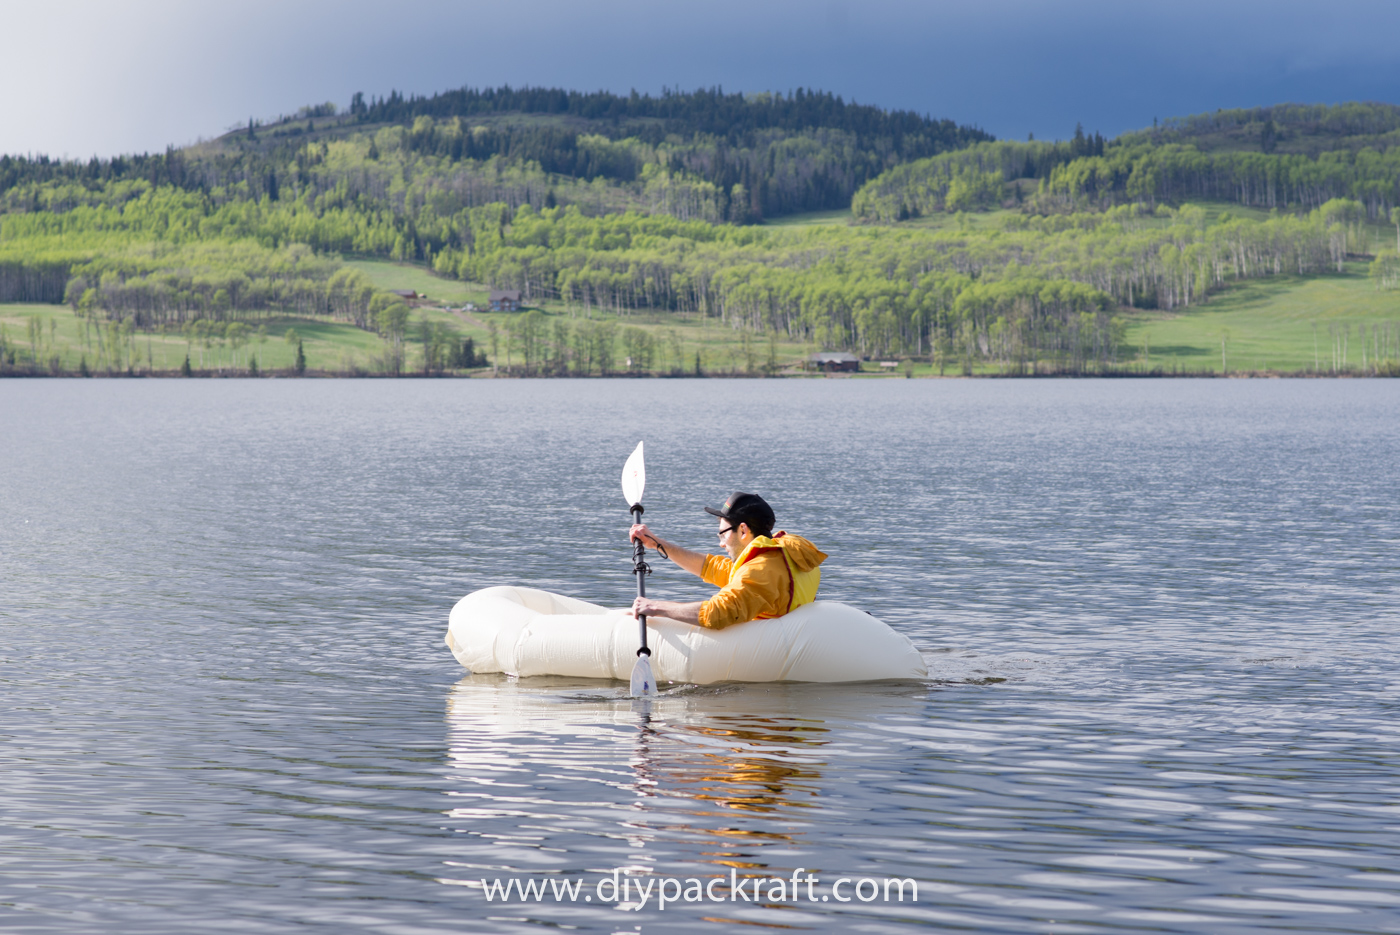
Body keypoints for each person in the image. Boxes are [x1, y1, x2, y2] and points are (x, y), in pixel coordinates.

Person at [628, 492, 827, 628]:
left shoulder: (762, 570)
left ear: (743, 530)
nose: (721, 544)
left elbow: (717, 614)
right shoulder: (781, 554)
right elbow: (712, 568)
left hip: (770, 650)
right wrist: (657, 543)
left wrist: (654, 607)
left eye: (723, 534)